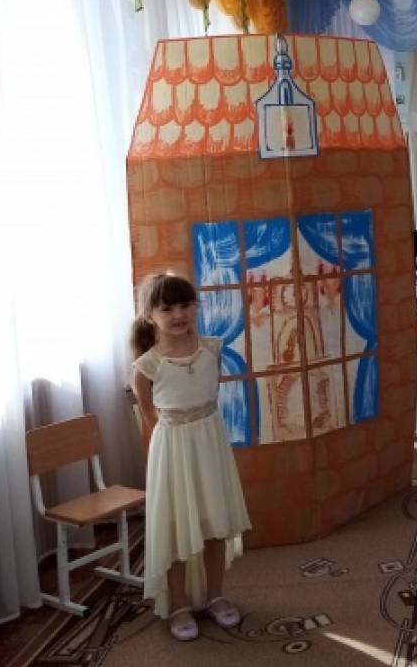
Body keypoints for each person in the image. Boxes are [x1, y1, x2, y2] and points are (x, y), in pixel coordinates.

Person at [130, 273, 252, 641]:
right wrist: (178, 435)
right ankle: (179, 604)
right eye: (167, 309)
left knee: (215, 523)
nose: (178, 315)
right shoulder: (147, 366)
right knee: (178, 527)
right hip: (173, 451)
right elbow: (150, 416)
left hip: (209, 445)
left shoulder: (212, 349)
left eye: (185, 305)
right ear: (150, 315)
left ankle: (215, 595)